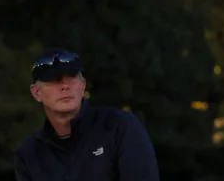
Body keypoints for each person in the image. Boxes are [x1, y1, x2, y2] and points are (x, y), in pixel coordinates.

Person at [15, 49, 160, 181]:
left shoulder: (120, 127)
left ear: (83, 85)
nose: (65, 86)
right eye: (54, 80)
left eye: (71, 77)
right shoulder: (29, 154)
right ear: (36, 93)